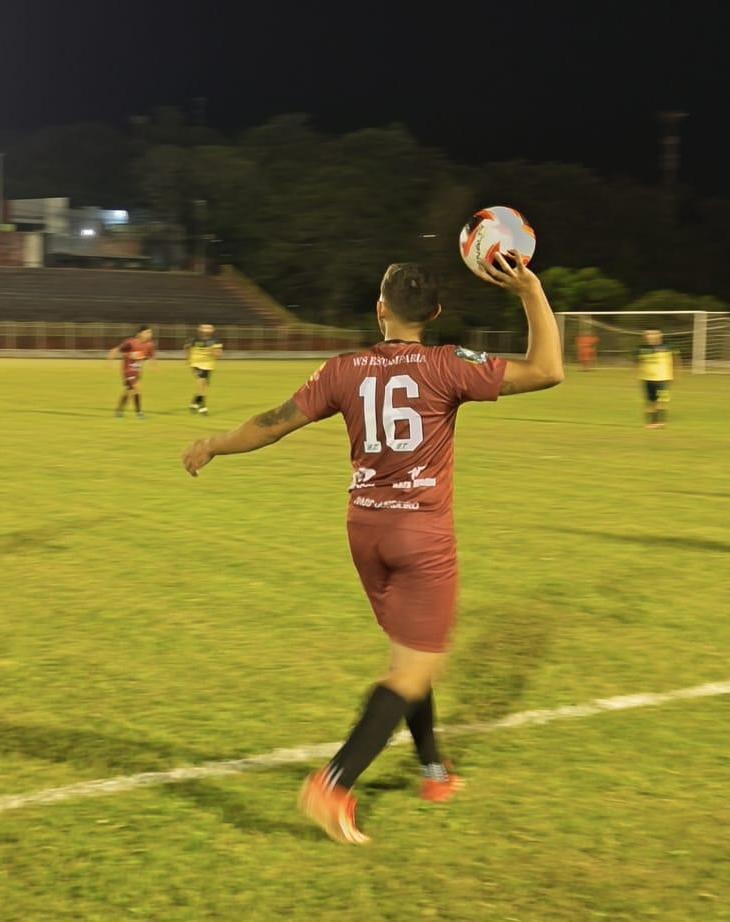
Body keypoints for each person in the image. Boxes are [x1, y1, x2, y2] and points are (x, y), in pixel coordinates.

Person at [182, 253, 562, 844]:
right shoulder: (449, 365)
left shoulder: (344, 370)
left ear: (380, 309)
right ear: (434, 313)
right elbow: (547, 369)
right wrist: (530, 290)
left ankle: (433, 770)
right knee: (412, 669)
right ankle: (333, 783)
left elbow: (273, 422)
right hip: (421, 535)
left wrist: (213, 444)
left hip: (366, 529)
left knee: (412, 656)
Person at [108, 325, 156, 418]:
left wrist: (154, 365)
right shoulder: (131, 342)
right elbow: (116, 349)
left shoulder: (149, 345)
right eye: (147, 332)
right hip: (128, 370)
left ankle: (119, 411)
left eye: (150, 332)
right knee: (137, 388)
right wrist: (110, 361)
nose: (150, 334)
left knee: (129, 391)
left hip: (137, 371)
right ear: (139, 334)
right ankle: (139, 413)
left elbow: (151, 356)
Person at [634, 329, 677, 428]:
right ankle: (651, 422)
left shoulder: (667, 347)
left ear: (659, 336)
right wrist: (638, 374)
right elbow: (638, 363)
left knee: (663, 400)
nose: (650, 337)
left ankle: (661, 421)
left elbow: (676, 360)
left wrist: (674, 374)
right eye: (648, 335)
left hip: (663, 378)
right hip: (647, 379)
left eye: (653, 335)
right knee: (651, 401)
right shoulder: (641, 349)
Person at [184, 323, 224, 414]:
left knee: (204, 386)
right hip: (196, 364)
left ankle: (194, 403)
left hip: (209, 365)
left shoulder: (216, 341)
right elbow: (187, 348)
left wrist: (214, 352)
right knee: (201, 382)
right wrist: (188, 358)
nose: (207, 329)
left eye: (209, 328)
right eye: (205, 327)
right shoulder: (194, 339)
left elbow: (218, 355)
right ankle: (203, 406)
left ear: (213, 330)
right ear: (200, 329)